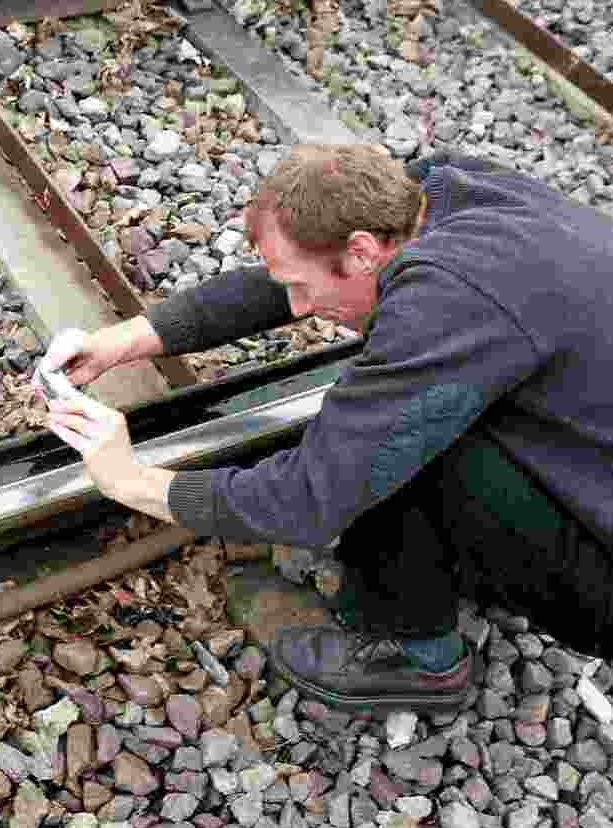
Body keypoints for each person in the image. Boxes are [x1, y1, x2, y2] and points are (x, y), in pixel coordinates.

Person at [39, 145, 613, 712]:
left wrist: (128, 479)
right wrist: (125, 340)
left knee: (404, 435)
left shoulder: (449, 301)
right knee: (405, 410)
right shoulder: (443, 190)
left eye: (302, 289)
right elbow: (284, 282)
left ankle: (413, 651)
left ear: (362, 251)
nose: (298, 304)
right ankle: (469, 561)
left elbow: (307, 501)